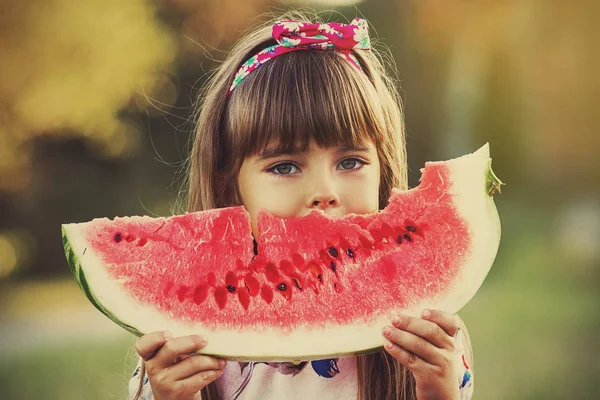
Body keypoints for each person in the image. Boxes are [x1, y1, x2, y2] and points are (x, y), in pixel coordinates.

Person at [129, 11, 474, 400]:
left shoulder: (426, 331)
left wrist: (438, 391)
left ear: (384, 170)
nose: (323, 191)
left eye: (350, 162)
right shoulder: (182, 342)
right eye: (285, 166)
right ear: (230, 185)